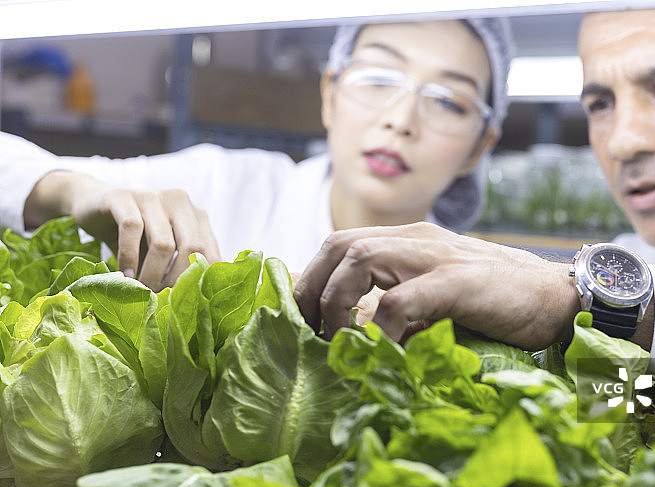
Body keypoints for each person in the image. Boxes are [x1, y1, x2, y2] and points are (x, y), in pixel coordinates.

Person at [293, 3, 655, 379]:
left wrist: (568, 299)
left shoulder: (622, 287)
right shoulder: (644, 258)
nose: (623, 141)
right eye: (600, 103)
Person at [0, 17, 514, 290]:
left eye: (448, 101)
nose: (401, 120)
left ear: (479, 147)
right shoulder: (227, 184)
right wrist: (75, 191)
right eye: (378, 77)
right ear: (330, 94)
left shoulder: (463, 282)